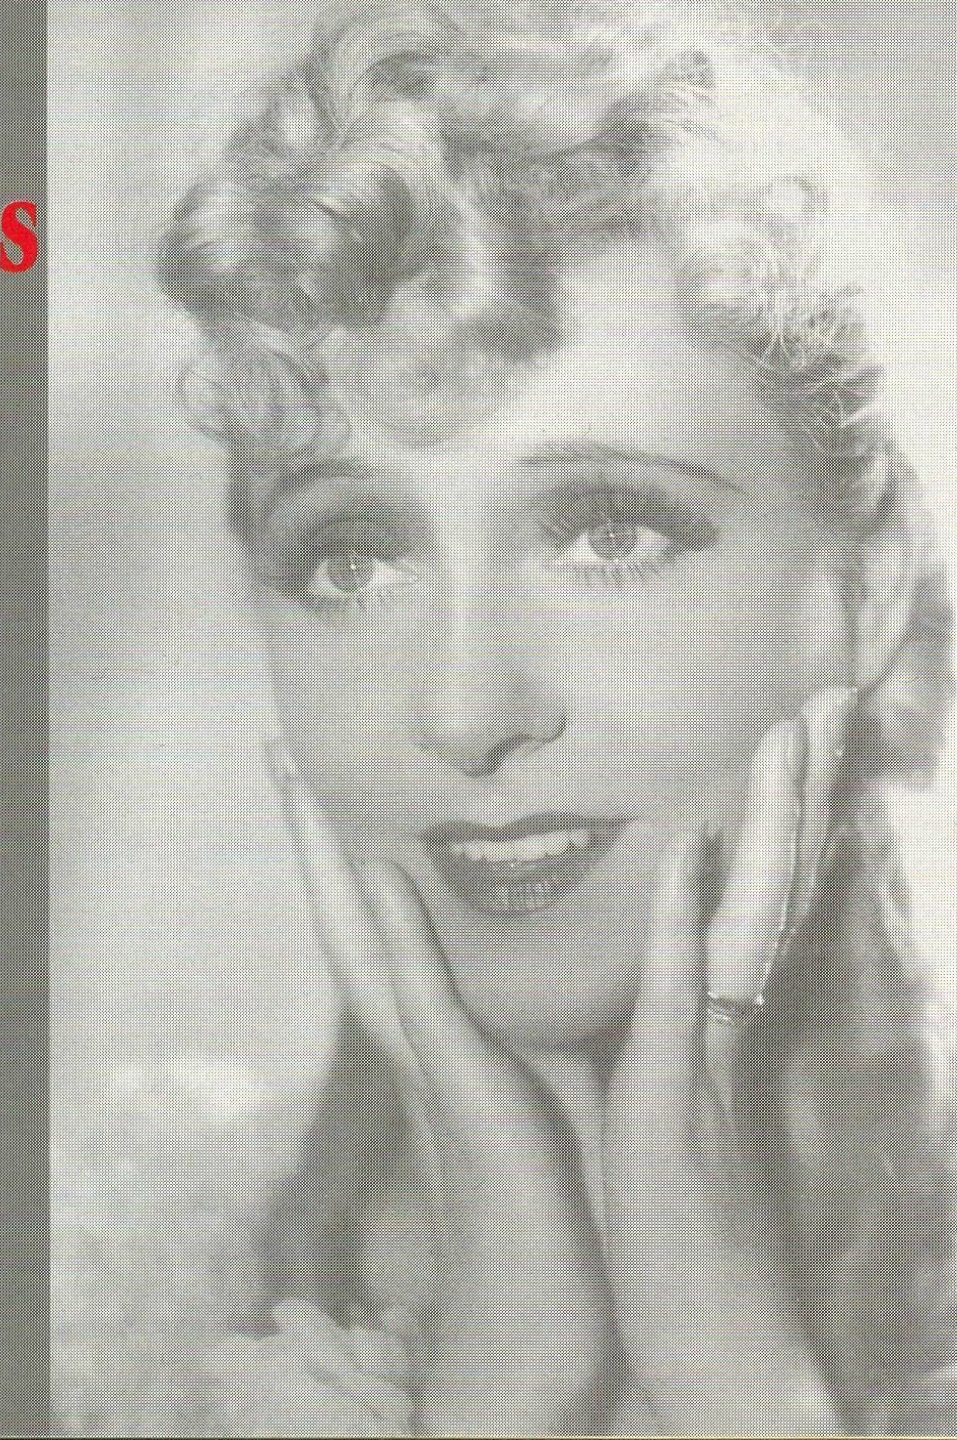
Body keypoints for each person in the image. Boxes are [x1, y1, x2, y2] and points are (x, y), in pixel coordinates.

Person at [156, 0, 956, 1432]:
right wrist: (504, 1381)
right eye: (352, 558)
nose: (466, 712)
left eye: (608, 534)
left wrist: (741, 1386)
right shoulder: (112, 1290)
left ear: (869, 585)